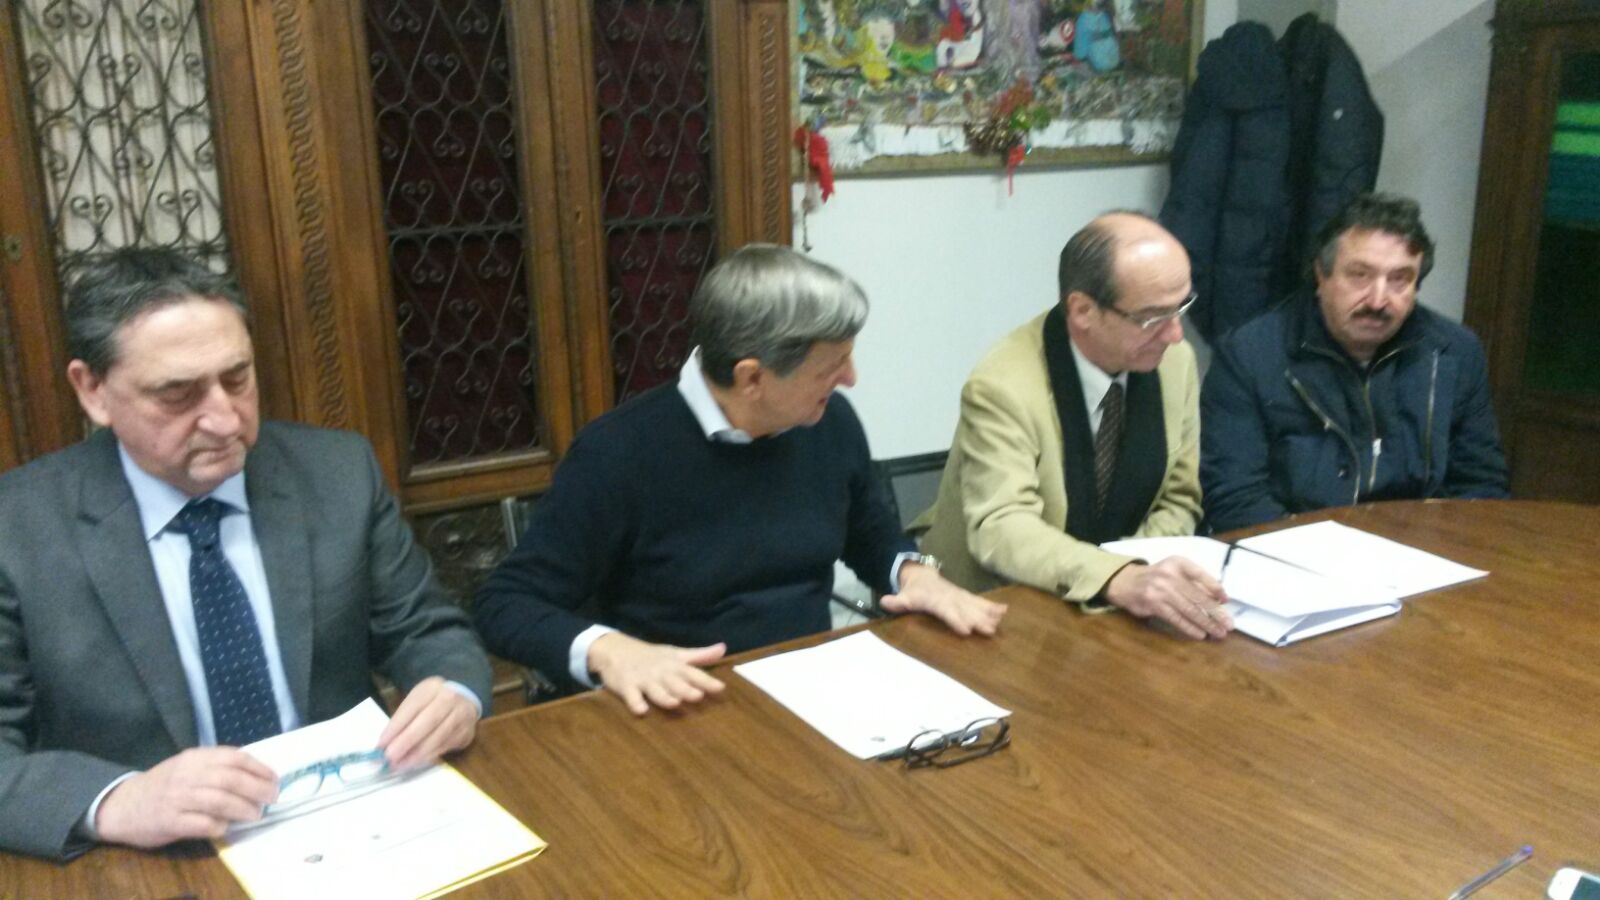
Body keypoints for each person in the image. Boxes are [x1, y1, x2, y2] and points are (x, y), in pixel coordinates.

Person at [0, 249, 492, 861]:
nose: (225, 419)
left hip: (354, 824)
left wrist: (455, 694)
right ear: (93, 390)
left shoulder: (336, 473)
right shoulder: (18, 527)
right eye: (178, 394)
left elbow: (426, 630)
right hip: (149, 859)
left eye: (237, 378)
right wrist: (118, 800)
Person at [475, 244, 1006, 715]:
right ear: (752, 377)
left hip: (816, 694)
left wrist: (913, 572)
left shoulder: (827, 423)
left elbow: (869, 534)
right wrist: (608, 650)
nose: (850, 379)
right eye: (832, 367)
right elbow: (505, 602)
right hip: (681, 707)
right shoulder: (618, 454)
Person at [917, 212, 1230, 640]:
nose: (1175, 334)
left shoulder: (1175, 362)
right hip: (995, 609)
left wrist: (1143, 575)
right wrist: (1115, 575)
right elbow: (1002, 526)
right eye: (1152, 318)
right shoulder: (1002, 385)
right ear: (1083, 310)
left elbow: (1179, 496)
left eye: (1182, 306)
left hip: (1118, 612)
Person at [1199, 193, 1509, 533]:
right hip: (1294, 549)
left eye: (1399, 279)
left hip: (1418, 548)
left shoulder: (1454, 352)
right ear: (1322, 274)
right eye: (1360, 275)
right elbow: (1235, 499)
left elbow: (1481, 487)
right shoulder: (1250, 355)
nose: (1378, 300)